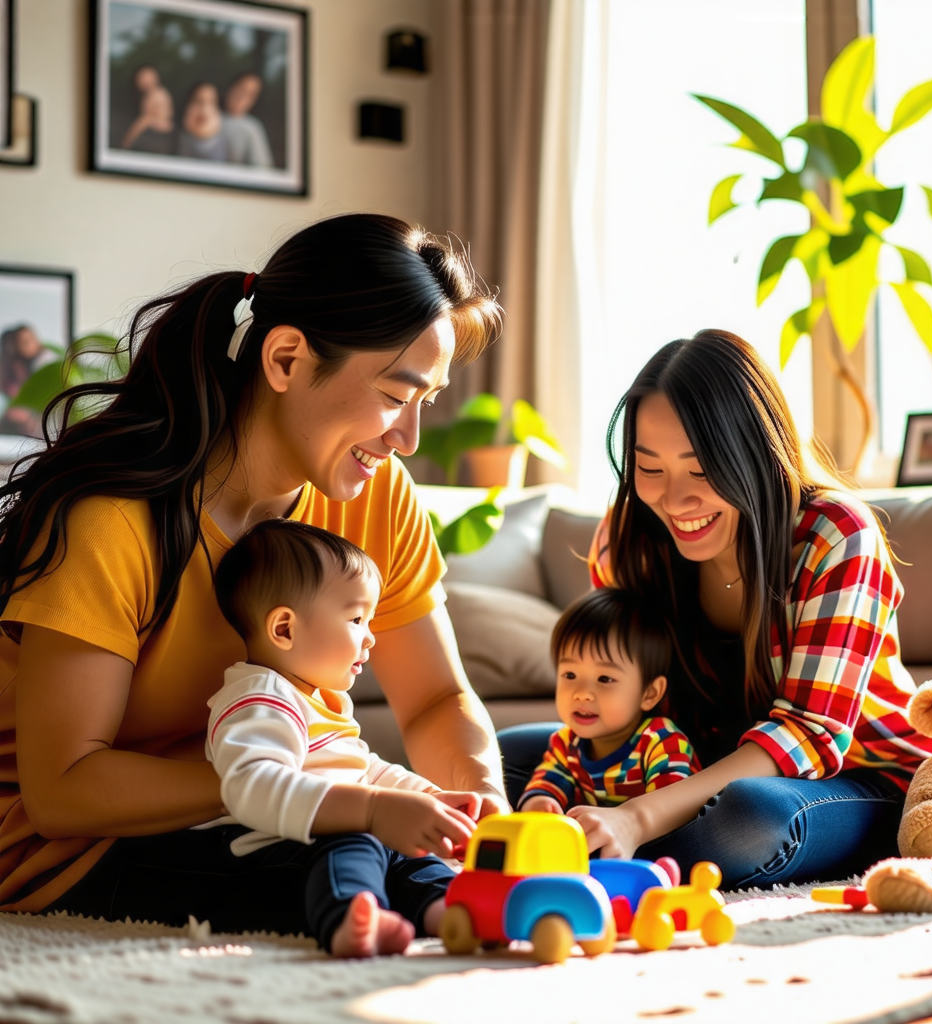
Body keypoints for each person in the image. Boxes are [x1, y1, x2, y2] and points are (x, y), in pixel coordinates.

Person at [0, 213, 507, 944]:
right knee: (349, 843)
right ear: (286, 359)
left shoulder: (376, 494)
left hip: (266, 798)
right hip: (76, 851)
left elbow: (433, 699)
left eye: (426, 403)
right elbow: (63, 790)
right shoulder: (113, 520)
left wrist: (480, 812)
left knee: (513, 765)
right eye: (397, 397)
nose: (409, 439)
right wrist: (312, 794)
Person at [499, 329, 932, 889]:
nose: (675, 499)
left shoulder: (833, 535)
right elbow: (632, 710)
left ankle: (620, 849)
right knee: (513, 755)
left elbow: (809, 736)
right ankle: (618, 850)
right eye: (651, 468)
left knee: (750, 818)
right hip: (692, 762)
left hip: (859, 777)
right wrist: (561, 788)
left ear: (756, 454)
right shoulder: (626, 542)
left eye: (702, 467)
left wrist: (638, 814)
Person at [209, 518, 478, 956]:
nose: (371, 638)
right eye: (356, 618)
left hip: (337, 838)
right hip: (267, 854)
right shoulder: (259, 697)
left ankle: (449, 910)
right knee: (354, 843)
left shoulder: (323, 699)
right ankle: (352, 916)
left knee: (411, 852)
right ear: (284, 629)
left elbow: (365, 768)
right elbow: (250, 786)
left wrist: (430, 798)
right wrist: (370, 810)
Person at [518, 587, 698, 814]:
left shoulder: (660, 741)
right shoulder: (567, 743)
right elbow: (548, 780)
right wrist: (541, 802)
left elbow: (671, 807)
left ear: (649, 693)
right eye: (569, 675)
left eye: (605, 678)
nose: (582, 693)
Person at [222, 72, 275, 168]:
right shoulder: (208, 118)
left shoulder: (252, 127)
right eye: (241, 89)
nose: (242, 97)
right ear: (231, 88)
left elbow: (262, 169)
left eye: (250, 94)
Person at [120, 65, 175, 155]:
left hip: (157, 136)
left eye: (145, 77)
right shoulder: (162, 92)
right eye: (140, 77)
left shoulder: (154, 95)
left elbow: (145, 119)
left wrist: (127, 142)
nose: (142, 80)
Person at [177, 82, 228, 162]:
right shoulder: (170, 142)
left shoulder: (231, 144)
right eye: (198, 101)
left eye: (211, 102)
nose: (204, 109)